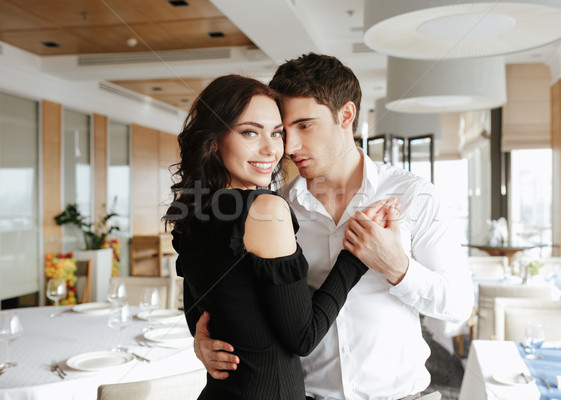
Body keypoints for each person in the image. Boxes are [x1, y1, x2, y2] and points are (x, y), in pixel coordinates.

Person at [193, 54, 475, 399]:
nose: (289, 147)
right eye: (286, 130)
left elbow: (459, 306)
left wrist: (396, 267)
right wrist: (202, 337)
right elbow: (222, 288)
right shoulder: (274, 207)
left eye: (305, 125)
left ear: (346, 115)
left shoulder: (414, 196)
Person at [164, 74, 393, 399]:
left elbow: (196, 315)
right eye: (249, 132)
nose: (271, 149)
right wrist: (354, 257)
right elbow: (303, 337)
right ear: (214, 140)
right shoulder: (265, 208)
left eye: (276, 133)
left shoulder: (191, 209)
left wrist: (201, 341)